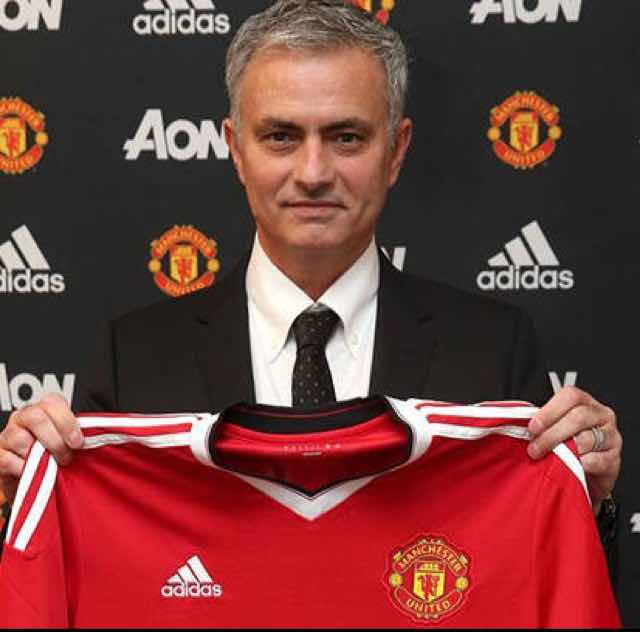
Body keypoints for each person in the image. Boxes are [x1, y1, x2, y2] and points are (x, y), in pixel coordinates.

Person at [0, 0, 621, 533]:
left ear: (396, 151)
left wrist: (586, 501)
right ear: (235, 149)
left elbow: (542, 577)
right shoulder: (132, 360)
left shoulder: (493, 351)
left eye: (347, 137)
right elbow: (81, 580)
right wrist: (22, 505)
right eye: (281, 137)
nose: (314, 172)